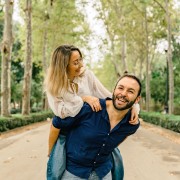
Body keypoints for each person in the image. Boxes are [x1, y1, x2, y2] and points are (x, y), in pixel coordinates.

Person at [45, 45, 140, 180]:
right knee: (54, 170)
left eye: (81, 60)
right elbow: (60, 115)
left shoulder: (86, 75)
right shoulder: (54, 86)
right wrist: (84, 99)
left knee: (113, 158)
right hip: (68, 129)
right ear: (63, 65)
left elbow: (106, 94)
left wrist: (133, 106)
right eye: (75, 62)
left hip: (93, 125)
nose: (81, 65)